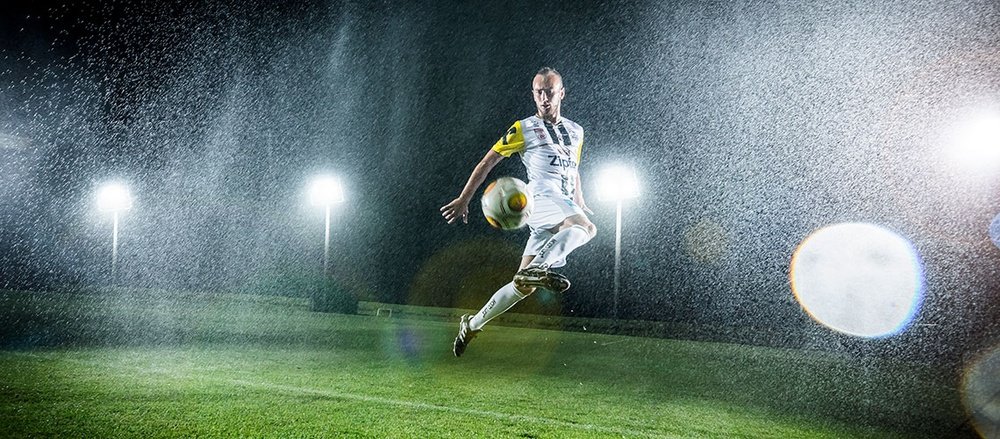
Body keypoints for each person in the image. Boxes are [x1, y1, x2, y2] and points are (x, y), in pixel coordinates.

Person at [440, 67, 597, 357]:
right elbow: (488, 161)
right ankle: (541, 266)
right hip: (538, 201)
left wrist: (580, 198)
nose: (543, 97)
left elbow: (573, 169)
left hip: (559, 207)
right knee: (587, 228)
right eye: (538, 92)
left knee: (521, 284)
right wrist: (464, 198)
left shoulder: (576, 131)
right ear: (533, 94)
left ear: (561, 93)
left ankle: (472, 324)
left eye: (549, 91)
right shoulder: (523, 128)